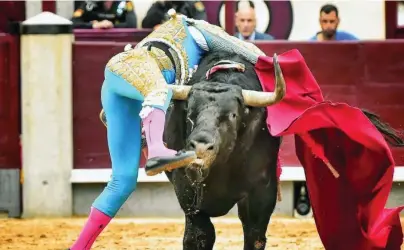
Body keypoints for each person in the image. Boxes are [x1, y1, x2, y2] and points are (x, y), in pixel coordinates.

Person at [68, 9, 269, 250]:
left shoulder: (180, 44)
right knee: (161, 90)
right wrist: (281, 68)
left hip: (119, 86)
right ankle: (156, 150)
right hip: (136, 71)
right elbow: (250, 52)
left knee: (122, 182)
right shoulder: (199, 30)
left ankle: (78, 247)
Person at [141, 0, 207, 29]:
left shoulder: (192, 4)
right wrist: (158, 8)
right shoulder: (161, 5)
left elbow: (202, 25)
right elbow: (145, 24)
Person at [71, 0, 137, 29]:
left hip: (116, 38)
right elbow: (73, 22)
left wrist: (111, 26)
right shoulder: (89, 3)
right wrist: (93, 25)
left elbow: (132, 24)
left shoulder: (126, 2)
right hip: (94, 40)